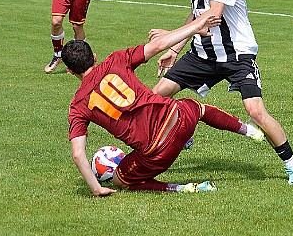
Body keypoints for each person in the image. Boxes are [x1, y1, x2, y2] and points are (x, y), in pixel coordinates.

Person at [152, 0, 293, 186]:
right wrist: (175, 48)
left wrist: (168, 36)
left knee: (255, 111)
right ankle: (181, 131)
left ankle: (292, 166)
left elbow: (213, 16)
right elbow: (197, 14)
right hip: (203, 53)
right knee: (154, 97)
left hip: (237, 55)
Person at [62, 15, 265, 197]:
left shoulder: (78, 105)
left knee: (121, 181)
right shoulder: (116, 59)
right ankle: (249, 130)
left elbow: (78, 154)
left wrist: (96, 189)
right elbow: (158, 45)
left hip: (157, 153)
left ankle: (181, 188)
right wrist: (194, 28)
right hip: (179, 119)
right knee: (197, 107)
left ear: (70, 71)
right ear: (94, 57)